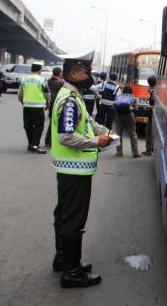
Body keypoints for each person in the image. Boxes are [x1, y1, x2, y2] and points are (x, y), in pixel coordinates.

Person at [51, 52, 113, 288]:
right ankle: (72, 273)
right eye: (87, 71)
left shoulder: (73, 96)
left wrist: (105, 132)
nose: (90, 76)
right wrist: (97, 142)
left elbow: (87, 122)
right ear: (74, 73)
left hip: (70, 170)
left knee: (64, 215)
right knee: (73, 221)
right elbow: (67, 136)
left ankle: (63, 259)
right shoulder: (69, 99)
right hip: (74, 171)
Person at [18, 63, 50, 154]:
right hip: (38, 107)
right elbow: (47, 93)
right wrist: (48, 103)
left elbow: (20, 93)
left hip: (27, 106)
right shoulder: (41, 80)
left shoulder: (24, 79)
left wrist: (22, 101)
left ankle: (30, 144)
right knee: (38, 126)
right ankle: (35, 145)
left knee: (28, 125)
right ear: (40, 70)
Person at [114, 86, 139, 157]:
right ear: (131, 91)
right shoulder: (133, 98)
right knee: (133, 134)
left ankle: (119, 152)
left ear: (123, 91)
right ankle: (135, 153)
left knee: (118, 134)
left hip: (119, 116)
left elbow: (114, 107)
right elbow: (136, 109)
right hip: (129, 116)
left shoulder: (118, 97)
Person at [44, 67, 64, 148]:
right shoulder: (60, 83)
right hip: (56, 104)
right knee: (54, 123)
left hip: (50, 103)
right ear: (60, 73)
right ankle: (50, 141)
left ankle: (48, 140)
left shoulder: (48, 81)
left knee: (52, 122)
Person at [142, 75, 156, 156]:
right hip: (153, 115)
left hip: (153, 115)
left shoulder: (154, 92)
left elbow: (157, 104)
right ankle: (149, 149)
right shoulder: (154, 90)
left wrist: (148, 107)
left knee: (148, 132)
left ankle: (149, 150)